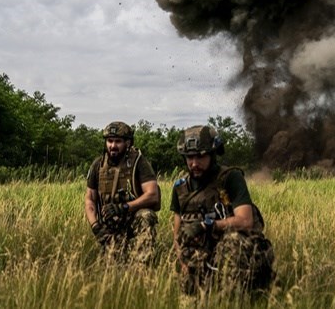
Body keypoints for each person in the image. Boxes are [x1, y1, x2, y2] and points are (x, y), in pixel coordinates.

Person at [171, 125, 274, 295]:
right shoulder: (181, 188)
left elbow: (245, 221)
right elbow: (177, 234)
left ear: (212, 155)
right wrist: (183, 263)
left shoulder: (230, 178)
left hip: (237, 252)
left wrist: (207, 225)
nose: (194, 163)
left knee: (231, 242)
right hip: (201, 254)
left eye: (200, 156)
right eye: (189, 157)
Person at [84, 121, 161, 263]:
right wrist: (96, 227)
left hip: (132, 218)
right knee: (111, 268)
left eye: (118, 141)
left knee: (145, 215)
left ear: (128, 143)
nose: (113, 146)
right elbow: (90, 198)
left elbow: (153, 195)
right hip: (110, 223)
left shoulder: (139, 162)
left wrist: (124, 207)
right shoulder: (98, 165)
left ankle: (142, 266)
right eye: (109, 141)